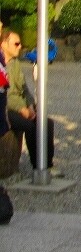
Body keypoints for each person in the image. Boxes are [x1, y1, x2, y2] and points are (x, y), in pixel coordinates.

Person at [2, 29, 56, 172]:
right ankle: (37, 165)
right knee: (30, 126)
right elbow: (5, 94)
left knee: (46, 123)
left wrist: (31, 104)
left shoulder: (15, 63)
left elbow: (24, 88)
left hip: (20, 105)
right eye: (16, 44)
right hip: (5, 108)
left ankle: (47, 165)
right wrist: (21, 109)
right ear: (4, 44)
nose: (20, 47)